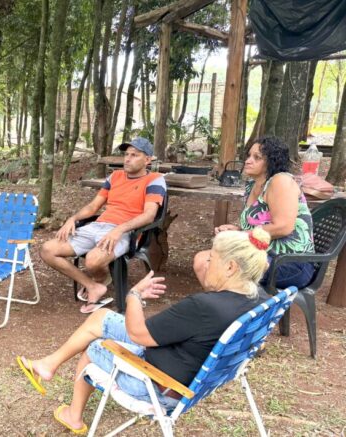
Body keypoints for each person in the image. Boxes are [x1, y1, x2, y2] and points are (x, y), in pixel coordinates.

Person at [17, 228, 270, 434]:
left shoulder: (203, 307)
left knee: (96, 347)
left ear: (231, 268)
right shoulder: (258, 298)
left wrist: (135, 295)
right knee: (101, 317)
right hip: (190, 369)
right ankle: (49, 364)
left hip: (159, 386)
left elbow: (139, 334)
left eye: (212, 259)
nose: (206, 262)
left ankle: (73, 415)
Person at [40, 137, 166, 313]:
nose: (127, 159)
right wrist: (72, 219)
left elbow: (149, 215)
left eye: (134, 155)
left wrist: (119, 229)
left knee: (93, 260)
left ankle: (100, 278)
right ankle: (93, 286)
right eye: (126, 154)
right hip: (97, 226)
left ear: (147, 160)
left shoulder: (155, 179)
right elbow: (93, 206)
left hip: (126, 231)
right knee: (47, 249)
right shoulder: (115, 176)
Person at [194, 136, 315, 291]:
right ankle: (224, 305)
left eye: (257, 157)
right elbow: (259, 226)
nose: (248, 161)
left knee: (210, 265)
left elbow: (283, 227)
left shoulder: (281, 181)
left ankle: (226, 305)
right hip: (261, 254)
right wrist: (237, 229)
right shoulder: (252, 185)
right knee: (203, 261)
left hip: (290, 262)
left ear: (272, 161)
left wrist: (239, 235)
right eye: (249, 156)